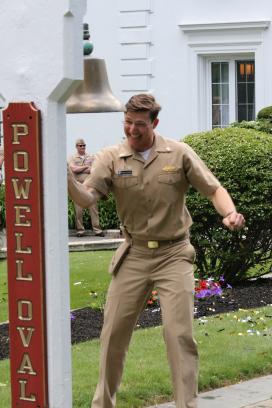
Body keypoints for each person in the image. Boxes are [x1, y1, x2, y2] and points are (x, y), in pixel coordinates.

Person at [68, 94, 245, 408]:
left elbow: (214, 188)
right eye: (127, 123)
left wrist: (229, 213)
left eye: (139, 124)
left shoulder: (177, 153)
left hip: (173, 254)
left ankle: (186, 404)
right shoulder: (111, 157)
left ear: (154, 123)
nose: (132, 130)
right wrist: (66, 177)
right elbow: (86, 199)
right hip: (133, 254)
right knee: (112, 336)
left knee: (179, 336)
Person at [68, 138, 104, 237]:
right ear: (76, 147)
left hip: (90, 186)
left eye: (84, 145)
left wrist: (82, 168)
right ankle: (80, 231)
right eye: (80, 145)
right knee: (78, 210)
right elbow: (74, 169)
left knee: (94, 208)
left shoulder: (91, 157)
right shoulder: (72, 157)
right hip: (78, 187)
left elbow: (94, 169)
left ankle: (97, 230)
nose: (83, 147)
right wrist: (85, 167)